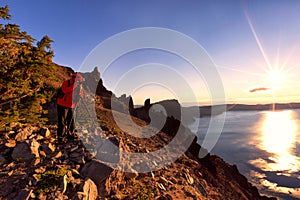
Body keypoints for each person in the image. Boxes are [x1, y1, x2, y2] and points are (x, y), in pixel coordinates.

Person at [57, 73, 84, 141]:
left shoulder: (79, 86)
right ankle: (61, 136)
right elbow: (64, 90)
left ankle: (70, 134)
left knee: (72, 121)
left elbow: (81, 94)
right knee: (62, 121)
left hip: (73, 105)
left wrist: (81, 95)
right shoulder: (67, 82)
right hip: (63, 104)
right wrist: (74, 86)